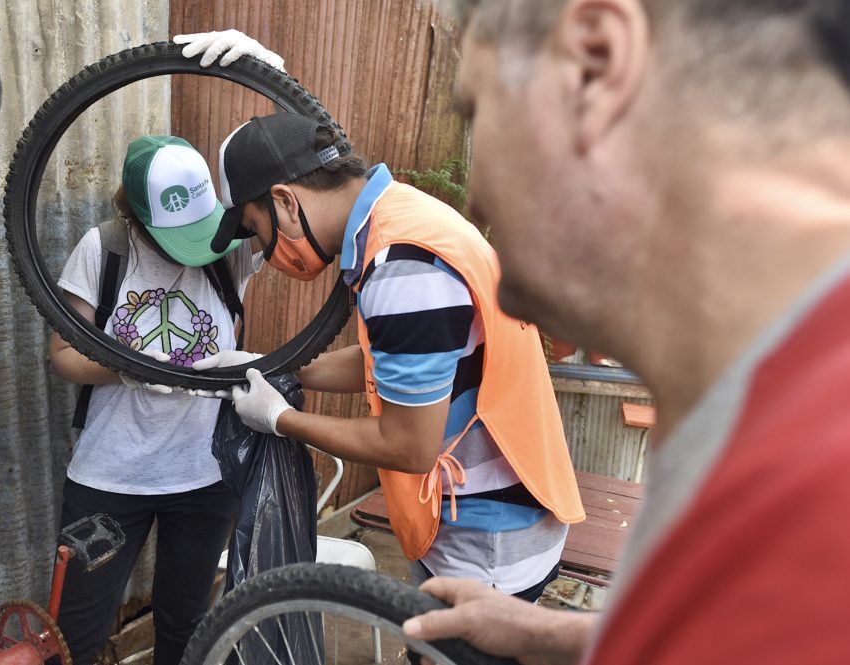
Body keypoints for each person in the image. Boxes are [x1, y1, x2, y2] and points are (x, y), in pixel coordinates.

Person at [399, 1, 850, 664]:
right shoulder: (776, 410)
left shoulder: (810, 508)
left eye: (473, 110)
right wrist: (555, 633)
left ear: (592, 63)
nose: (474, 203)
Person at [191, 111, 587, 614]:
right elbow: (393, 359)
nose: (264, 251)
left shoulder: (404, 265)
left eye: (255, 227)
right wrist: (277, 368)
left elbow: (408, 444)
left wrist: (281, 419)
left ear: (286, 201)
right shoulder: (405, 218)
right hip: (498, 516)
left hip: (487, 541)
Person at [48, 135, 262, 665]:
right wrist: (128, 368)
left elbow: (304, 213)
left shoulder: (228, 247)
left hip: (204, 477)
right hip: (109, 478)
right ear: (138, 215)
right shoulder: (104, 249)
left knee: (187, 626)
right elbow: (63, 355)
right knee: (74, 631)